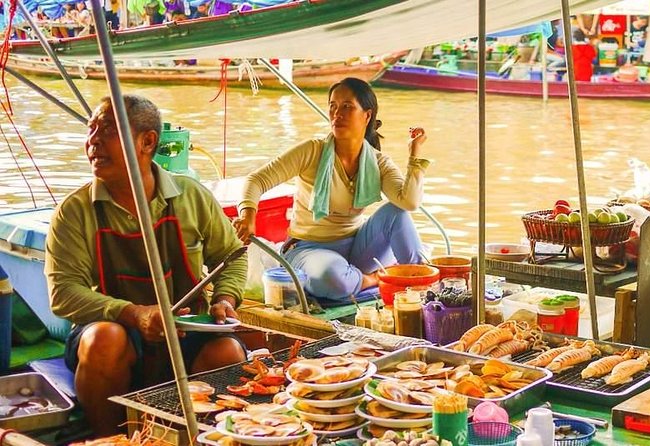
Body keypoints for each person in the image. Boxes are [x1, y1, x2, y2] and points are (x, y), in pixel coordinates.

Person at [45, 95, 248, 436]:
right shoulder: (74, 211)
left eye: (106, 129)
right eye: (91, 129)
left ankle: (197, 439)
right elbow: (63, 293)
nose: (92, 140)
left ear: (148, 141)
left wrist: (225, 300)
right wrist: (134, 314)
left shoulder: (192, 196)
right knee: (104, 340)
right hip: (117, 338)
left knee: (227, 353)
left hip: (187, 333)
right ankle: (110, 439)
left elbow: (232, 257)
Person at [234, 77, 429, 305]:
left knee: (397, 214)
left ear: (367, 115)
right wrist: (248, 216)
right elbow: (257, 180)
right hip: (308, 250)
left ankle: (420, 285)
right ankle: (375, 279)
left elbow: (409, 202)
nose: (337, 114)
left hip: (357, 248)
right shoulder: (312, 151)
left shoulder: (378, 163)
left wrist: (414, 154)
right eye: (333, 106)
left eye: (347, 107)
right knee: (334, 277)